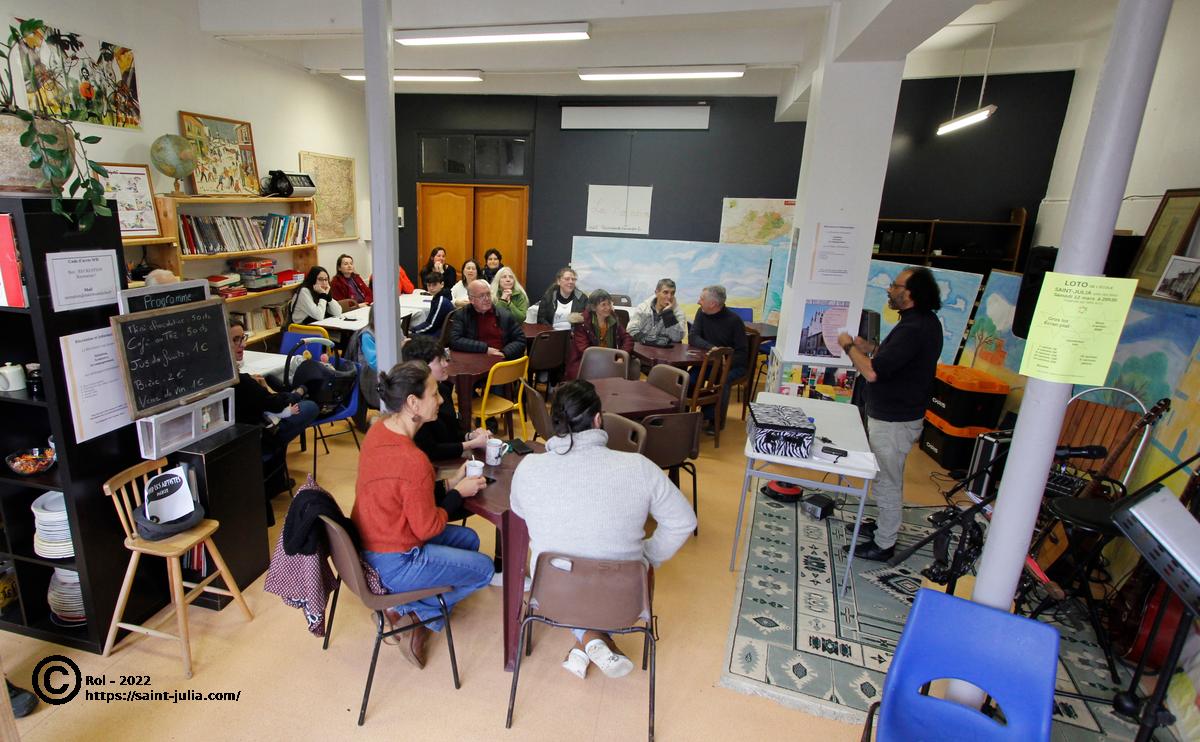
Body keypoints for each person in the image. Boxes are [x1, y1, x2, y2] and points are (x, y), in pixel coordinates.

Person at [510, 380, 696, 680]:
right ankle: (593, 639)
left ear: (555, 422)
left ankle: (585, 641)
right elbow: (684, 521)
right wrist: (647, 556)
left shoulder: (529, 467)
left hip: (551, 596)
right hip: (623, 599)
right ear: (598, 420)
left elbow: (520, 512)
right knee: (613, 577)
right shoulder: (639, 467)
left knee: (573, 573)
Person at [352, 361, 494, 668]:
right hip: (393, 559)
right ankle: (413, 614)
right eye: (434, 394)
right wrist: (458, 494)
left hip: (369, 542)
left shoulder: (378, 430)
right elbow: (427, 528)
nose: (441, 399)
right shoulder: (413, 459)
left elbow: (403, 495)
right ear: (413, 403)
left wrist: (450, 483)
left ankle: (402, 609)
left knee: (469, 539)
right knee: (484, 570)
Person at [838, 266, 942, 561]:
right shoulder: (923, 321)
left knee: (887, 479)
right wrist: (871, 347)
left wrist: (848, 345)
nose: (889, 289)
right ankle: (883, 524)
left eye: (895, 285)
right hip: (896, 414)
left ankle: (884, 543)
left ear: (910, 293)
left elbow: (872, 372)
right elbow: (895, 359)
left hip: (895, 419)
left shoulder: (913, 328)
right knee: (884, 474)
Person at [228, 318, 320, 498]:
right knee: (310, 406)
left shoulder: (227, 378)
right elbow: (275, 403)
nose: (242, 345)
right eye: (235, 340)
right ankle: (274, 478)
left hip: (248, 433)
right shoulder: (242, 383)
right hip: (259, 438)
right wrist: (294, 393)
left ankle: (277, 478)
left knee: (275, 385)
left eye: (243, 338)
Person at [401, 335, 490, 466]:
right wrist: (472, 444)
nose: (446, 364)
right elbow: (431, 451)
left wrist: (471, 436)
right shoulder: (415, 404)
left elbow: (452, 432)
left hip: (451, 459)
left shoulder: (443, 389)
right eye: (439, 360)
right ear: (422, 367)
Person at [689, 285, 748, 432]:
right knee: (688, 379)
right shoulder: (701, 312)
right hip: (708, 362)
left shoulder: (734, 321)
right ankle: (685, 413)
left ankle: (715, 421)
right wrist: (714, 350)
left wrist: (724, 361)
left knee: (722, 380)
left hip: (732, 365)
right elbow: (693, 337)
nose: (698, 301)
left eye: (702, 299)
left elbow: (742, 354)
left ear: (713, 304)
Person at [448, 279, 526, 360]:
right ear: (471, 300)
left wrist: (504, 353)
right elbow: (454, 340)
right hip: (474, 361)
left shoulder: (504, 315)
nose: (487, 299)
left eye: (488, 294)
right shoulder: (462, 315)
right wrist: (485, 349)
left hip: (502, 361)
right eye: (482, 296)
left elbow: (520, 340)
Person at [565, 289, 634, 379]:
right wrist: (608, 361)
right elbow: (585, 351)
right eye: (603, 305)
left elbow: (627, 338)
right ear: (594, 307)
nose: (608, 307)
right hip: (586, 364)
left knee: (633, 368)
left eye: (609, 304)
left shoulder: (613, 319)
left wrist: (621, 356)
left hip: (610, 361)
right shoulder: (582, 323)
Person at [627, 278, 686, 345]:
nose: (669, 297)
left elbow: (677, 338)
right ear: (656, 293)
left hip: (666, 350)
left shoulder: (678, 313)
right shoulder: (643, 308)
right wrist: (647, 340)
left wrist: (668, 315)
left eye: (672, 293)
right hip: (644, 347)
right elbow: (630, 330)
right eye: (665, 292)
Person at [411, 271, 454, 336]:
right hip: (439, 331)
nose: (431, 288)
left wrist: (413, 331)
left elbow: (431, 325)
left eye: (434, 285)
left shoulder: (441, 301)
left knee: (410, 336)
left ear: (442, 284)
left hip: (439, 335)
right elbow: (429, 322)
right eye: (429, 285)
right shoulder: (437, 298)